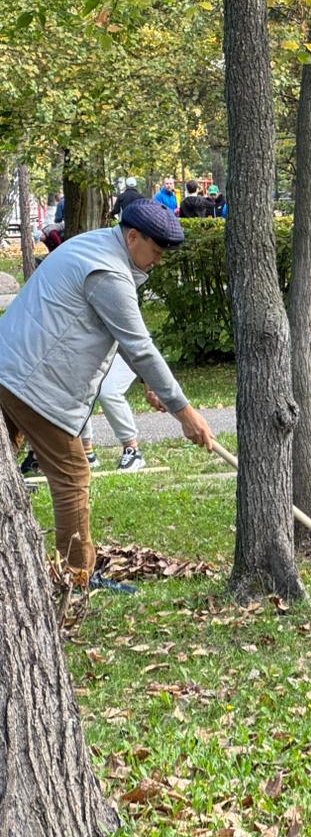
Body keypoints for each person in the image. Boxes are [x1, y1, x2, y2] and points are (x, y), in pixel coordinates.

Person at [0, 201, 215, 589]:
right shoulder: (109, 273)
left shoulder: (95, 245)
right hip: (35, 384)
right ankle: (77, 578)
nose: (157, 262)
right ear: (134, 237)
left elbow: (114, 334)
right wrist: (186, 414)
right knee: (73, 474)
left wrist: (153, 386)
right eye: (156, 253)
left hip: (11, 368)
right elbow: (140, 346)